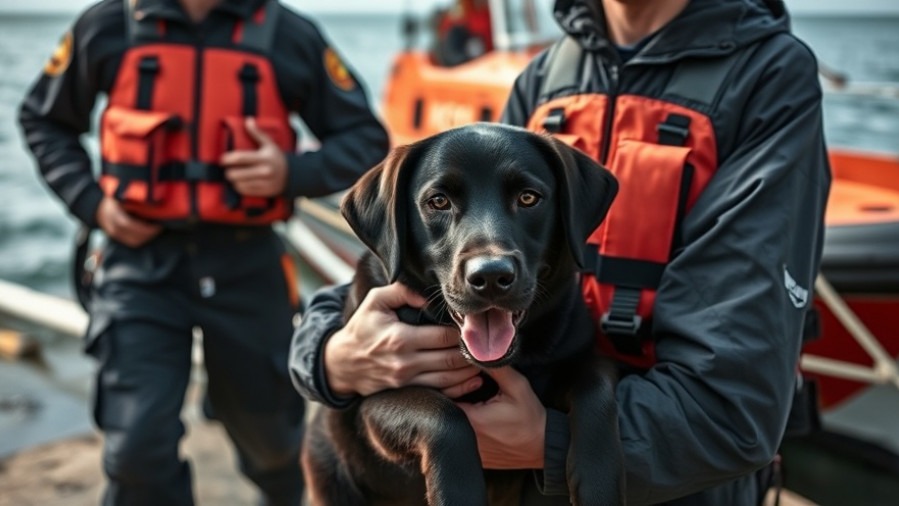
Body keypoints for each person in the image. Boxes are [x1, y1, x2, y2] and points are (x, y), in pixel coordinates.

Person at [289, 0, 831, 504]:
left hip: (669, 486)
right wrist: (328, 358)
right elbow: (437, 246)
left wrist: (553, 442)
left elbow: (735, 408)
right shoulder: (549, 76)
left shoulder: (767, 78)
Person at [18, 0, 389, 505]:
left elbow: (366, 139)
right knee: (135, 451)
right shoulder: (108, 25)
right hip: (140, 266)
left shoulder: (287, 34)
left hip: (248, 264)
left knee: (274, 446)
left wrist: (290, 172)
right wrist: (94, 205)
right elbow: (43, 120)